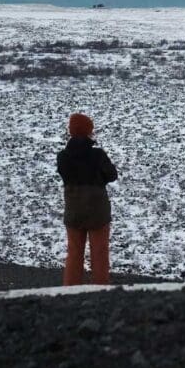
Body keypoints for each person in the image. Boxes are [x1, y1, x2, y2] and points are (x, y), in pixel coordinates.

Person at [57, 112, 118, 286]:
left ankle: (70, 291)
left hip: (74, 209)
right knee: (99, 253)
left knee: (74, 252)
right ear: (88, 131)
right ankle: (100, 290)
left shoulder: (63, 156)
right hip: (98, 211)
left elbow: (65, 175)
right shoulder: (98, 155)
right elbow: (112, 175)